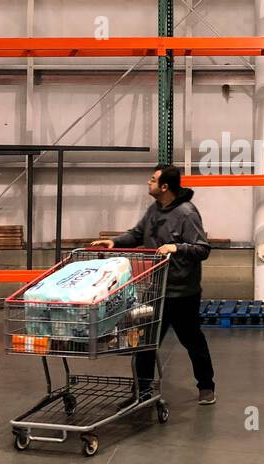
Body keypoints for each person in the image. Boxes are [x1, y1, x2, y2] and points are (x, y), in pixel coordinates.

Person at [91, 165, 216, 405]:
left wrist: (176, 247)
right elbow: (137, 234)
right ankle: (143, 391)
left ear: (165, 187)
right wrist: (114, 242)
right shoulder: (154, 210)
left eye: (152, 180)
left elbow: (203, 249)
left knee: (192, 340)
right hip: (155, 289)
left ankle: (206, 386)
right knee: (145, 342)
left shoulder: (187, 213)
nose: (148, 183)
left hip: (182, 294)